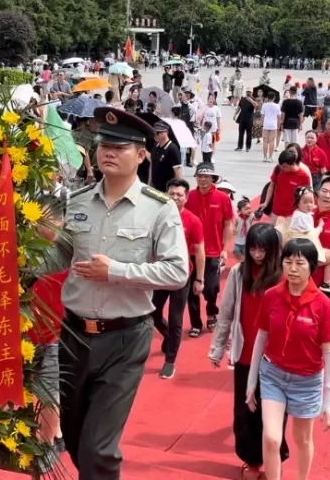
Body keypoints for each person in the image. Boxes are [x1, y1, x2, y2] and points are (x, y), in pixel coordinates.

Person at [56, 107, 188, 479]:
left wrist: (115, 272)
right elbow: (59, 257)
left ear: (142, 154)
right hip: (73, 336)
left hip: (124, 339)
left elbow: (177, 271)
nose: (108, 152)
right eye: (103, 145)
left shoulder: (159, 209)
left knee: (99, 446)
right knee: (75, 435)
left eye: (120, 146)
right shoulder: (77, 201)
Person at [246, 238, 330, 480]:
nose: (293, 269)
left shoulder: (322, 305)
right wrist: (251, 380)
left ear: (312, 266)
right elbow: (261, 338)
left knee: (302, 439)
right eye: (288, 262)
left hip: (306, 380)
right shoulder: (271, 296)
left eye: (300, 263)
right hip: (273, 374)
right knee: (271, 437)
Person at [209, 224, 288, 480]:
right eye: (252, 248)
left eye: (262, 249)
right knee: (245, 412)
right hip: (245, 355)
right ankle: (252, 461)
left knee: (275, 413)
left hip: (277, 358)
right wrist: (217, 348)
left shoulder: (284, 275)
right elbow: (226, 312)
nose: (256, 254)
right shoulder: (238, 273)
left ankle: (273, 460)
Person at [151, 178, 204, 379]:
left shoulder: (193, 220)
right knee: (153, 313)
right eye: (171, 194)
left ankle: (170, 360)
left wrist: (199, 278)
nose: (175, 197)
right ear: (165, 194)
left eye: (179, 194)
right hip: (161, 273)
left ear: (186, 197)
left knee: (175, 319)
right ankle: (169, 337)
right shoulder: (158, 217)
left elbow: (200, 251)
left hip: (182, 276)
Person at [185, 163, 235, 337]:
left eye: (206, 176)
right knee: (191, 290)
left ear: (213, 178)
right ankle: (195, 324)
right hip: (190, 250)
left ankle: (212, 310)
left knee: (210, 288)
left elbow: (228, 223)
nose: (202, 179)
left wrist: (225, 249)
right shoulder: (189, 197)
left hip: (213, 251)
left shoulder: (222, 198)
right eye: (199, 176)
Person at [261, 92, 281, 162]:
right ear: (274, 98)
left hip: (266, 124)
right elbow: (279, 117)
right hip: (273, 125)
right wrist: (278, 125)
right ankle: (270, 157)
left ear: (267, 98)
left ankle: (264, 157)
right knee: (272, 141)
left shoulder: (264, 105)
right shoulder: (277, 106)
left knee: (265, 141)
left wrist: (262, 125)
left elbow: (262, 116)